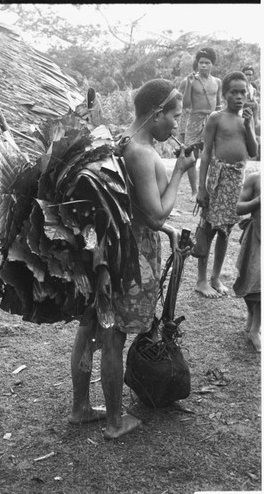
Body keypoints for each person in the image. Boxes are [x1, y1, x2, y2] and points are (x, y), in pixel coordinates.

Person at [68, 79, 196, 439]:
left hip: (104, 250)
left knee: (90, 326)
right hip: (129, 257)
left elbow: (133, 207)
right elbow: (154, 215)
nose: (176, 124)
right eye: (174, 115)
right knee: (114, 336)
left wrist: (167, 229)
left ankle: (80, 408)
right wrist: (180, 172)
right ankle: (113, 421)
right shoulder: (141, 152)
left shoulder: (119, 140)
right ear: (156, 114)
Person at [195, 71, 258, 298]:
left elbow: (253, 152)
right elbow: (206, 153)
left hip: (236, 182)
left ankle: (215, 277)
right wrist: (202, 188)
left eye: (243, 92)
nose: (239, 96)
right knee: (209, 228)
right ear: (225, 94)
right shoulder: (216, 118)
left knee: (225, 231)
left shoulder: (246, 119)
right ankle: (201, 280)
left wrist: (250, 125)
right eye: (234, 92)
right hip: (218, 180)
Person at [181, 48, 222, 201]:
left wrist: (220, 120)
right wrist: (189, 86)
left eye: (207, 63)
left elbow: (218, 105)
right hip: (194, 118)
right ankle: (193, 191)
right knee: (192, 156)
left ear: (212, 64)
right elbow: (185, 105)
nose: (203, 65)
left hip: (211, 119)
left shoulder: (217, 81)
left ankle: (209, 189)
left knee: (212, 155)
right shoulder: (190, 80)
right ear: (197, 64)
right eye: (201, 63)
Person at [233, 171, 261, 352]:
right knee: (251, 282)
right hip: (256, 239)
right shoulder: (255, 178)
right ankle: (252, 315)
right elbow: (238, 208)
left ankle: (255, 329)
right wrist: (258, 201)